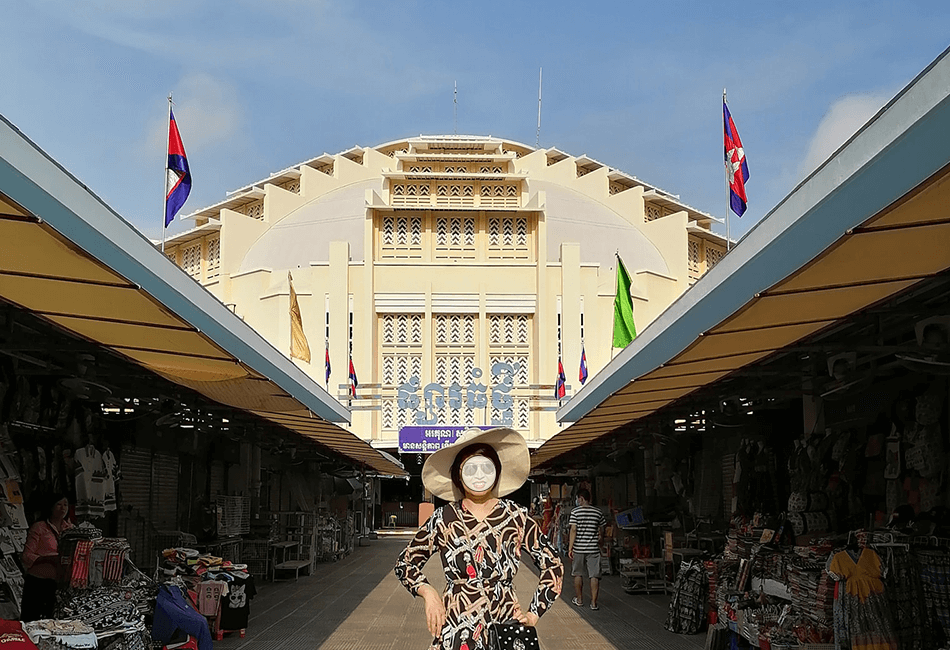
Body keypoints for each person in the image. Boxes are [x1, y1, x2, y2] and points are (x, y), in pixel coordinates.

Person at [394, 427, 563, 650]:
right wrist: (428, 592)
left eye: (486, 467)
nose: (479, 475)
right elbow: (405, 564)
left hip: (505, 628)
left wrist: (533, 614)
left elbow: (553, 564)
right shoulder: (443, 518)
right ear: (458, 475)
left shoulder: (516, 517)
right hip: (456, 628)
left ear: (497, 470)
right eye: (470, 469)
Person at [21, 492, 72, 621]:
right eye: (58, 504)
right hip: (37, 583)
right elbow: (27, 556)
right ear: (51, 507)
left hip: (59, 584)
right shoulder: (39, 527)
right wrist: (46, 559)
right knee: (31, 620)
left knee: (54, 621)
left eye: (65, 504)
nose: (63, 508)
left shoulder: (70, 529)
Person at [568, 488, 607, 610]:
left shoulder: (575, 512)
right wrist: (601, 541)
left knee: (578, 574)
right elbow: (602, 528)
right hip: (593, 549)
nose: (577, 501)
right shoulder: (597, 512)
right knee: (594, 575)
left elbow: (573, 530)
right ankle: (594, 603)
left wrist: (570, 547)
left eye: (578, 498)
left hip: (579, 548)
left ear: (581, 498)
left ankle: (579, 600)